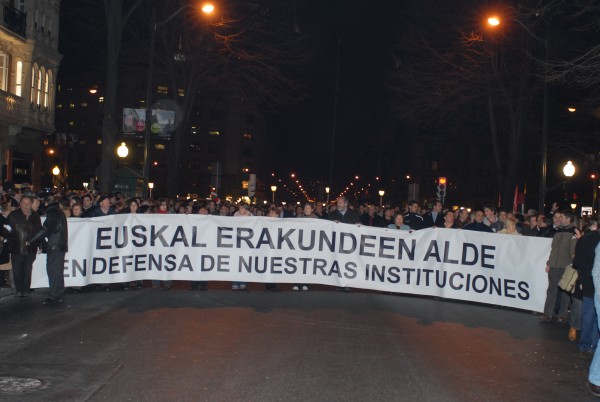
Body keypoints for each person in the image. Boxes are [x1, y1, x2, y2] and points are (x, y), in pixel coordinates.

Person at [540, 210, 580, 323]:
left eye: (561, 217)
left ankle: (562, 315)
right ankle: (547, 313)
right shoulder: (557, 231)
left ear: (568, 219)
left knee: (565, 292)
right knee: (551, 290)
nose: (559, 219)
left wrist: (574, 267)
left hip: (567, 266)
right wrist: (549, 262)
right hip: (554, 265)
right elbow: (554, 249)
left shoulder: (574, 232)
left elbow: (574, 251)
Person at [28, 201, 68, 305]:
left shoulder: (53, 214)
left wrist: (30, 240)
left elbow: (45, 230)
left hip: (54, 247)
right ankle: (58, 294)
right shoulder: (58, 212)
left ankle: (54, 295)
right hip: (59, 247)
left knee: (53, 271)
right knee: (57, 272)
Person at [7, 195, 42, 298]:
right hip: (16, 248)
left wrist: (39, 244)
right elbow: (8, 229)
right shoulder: (13, 215)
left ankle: (26, 289)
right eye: (24, 203)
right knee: (17, 271)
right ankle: (19, 290)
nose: (26, 205)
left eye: (28, 203)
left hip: (30, 249)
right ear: (20, 204)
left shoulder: (35, 216)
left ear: (31, 204)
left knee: (27, 270)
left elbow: (39, 231)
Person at [293, 203, 319, 291]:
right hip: (299, 245)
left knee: (307, 265)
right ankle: (296, 283)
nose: (306, 209)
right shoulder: (298, 218)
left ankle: (305, 283)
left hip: (310, 246)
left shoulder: (316, 219)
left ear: (312, 209)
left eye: (308, 208)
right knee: (298, 264)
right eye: (305, 208)